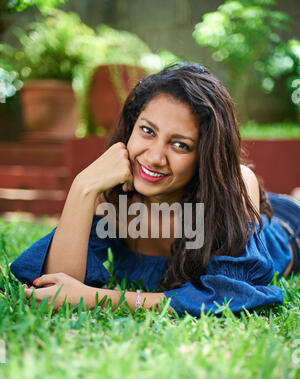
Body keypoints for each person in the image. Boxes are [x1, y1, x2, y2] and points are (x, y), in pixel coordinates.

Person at [10, 63, 300, 317]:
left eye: (180, 145)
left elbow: (230, 297)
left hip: (287, 228)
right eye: (147, 131)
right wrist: (83, 187)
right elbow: (58, 284)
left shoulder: (234, 182)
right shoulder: (113, 192)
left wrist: (98, 299)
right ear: (131, 127)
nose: (154, 157)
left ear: (205, 156)